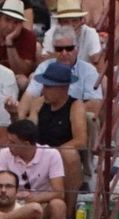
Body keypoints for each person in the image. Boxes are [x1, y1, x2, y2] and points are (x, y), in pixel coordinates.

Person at [19, 57, 83, 210]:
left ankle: (70, 210)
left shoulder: (75, 105)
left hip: (59, 156)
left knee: (70, 155)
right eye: (44, 86)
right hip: (38, 153)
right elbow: (30, 132)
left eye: (49, 87)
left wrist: (54, 153)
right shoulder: (38, 103)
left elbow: (81, 140)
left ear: (63, 88)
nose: (44, 90)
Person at [0, 116, 64, 219]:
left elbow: (59, 192)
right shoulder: (4, 153)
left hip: (41, 203)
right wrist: (16, 195)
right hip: (12, 201)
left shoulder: (51, 154)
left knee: (58, 205)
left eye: (12, 142)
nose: (8, 145)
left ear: (26, 144)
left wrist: (34, 198)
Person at [22, 25, 99, 103]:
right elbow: (30, 95)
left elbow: (93, 103)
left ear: (77, 49)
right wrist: (21, 114)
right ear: (54, 50)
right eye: (59, 49)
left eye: (69, 48)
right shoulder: (44, 67)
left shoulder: (89, 70)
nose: (64, 53)